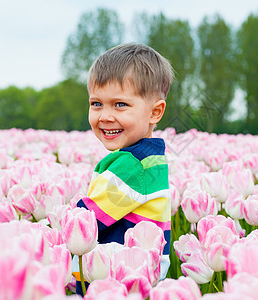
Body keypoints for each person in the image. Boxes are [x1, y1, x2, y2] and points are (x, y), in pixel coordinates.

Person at [72, 43, 173, 295]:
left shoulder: (133, 165)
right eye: (96, 103)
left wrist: (47, 234)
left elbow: (90, 221)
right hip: (138, 269)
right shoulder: (148, 157)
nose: (105, 116)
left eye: (120, 105)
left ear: (155, 112)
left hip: (119, 272)